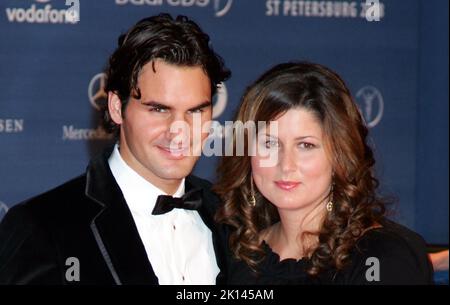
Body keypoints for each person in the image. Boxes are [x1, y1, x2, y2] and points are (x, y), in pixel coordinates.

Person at [0, 13, 230, 284]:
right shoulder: (42, 227)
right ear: (116, 108)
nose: (179, 130)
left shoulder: (232, 218)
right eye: (158, 109)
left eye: (195, 111)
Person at [214, 62, 434, 284]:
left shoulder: (381, 256)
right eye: (269, 144)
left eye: (306, 145)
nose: (286, 164)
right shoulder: (237, 255)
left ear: (340, 156)